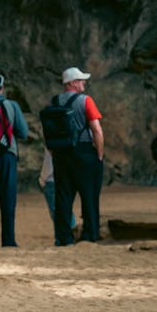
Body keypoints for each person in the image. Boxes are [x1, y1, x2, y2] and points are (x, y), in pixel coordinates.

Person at [50, 67, 104, 246]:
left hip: (61, 153)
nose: (84, 83)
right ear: (72, 83)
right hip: (84, 151)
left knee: (63, 197)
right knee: (89, 195)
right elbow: (96, 129)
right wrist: (99, 154)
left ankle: (64, 237)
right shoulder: (85, 101)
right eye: (81, 80)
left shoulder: (55, 101)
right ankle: (90, 233)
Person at [0, 74, 28, 247]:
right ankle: (8, 240)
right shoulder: (11, 105)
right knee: (8, 199)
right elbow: (23, 132)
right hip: (7, 155)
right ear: (2, 87)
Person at [39, 148, 76, 241]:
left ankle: (64, 237)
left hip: (51, 179)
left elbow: (48, 163)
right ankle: (72, 234)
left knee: (57, 212)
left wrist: (43, 178)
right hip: (65, 176)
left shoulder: (52, 137)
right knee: (66, 208)